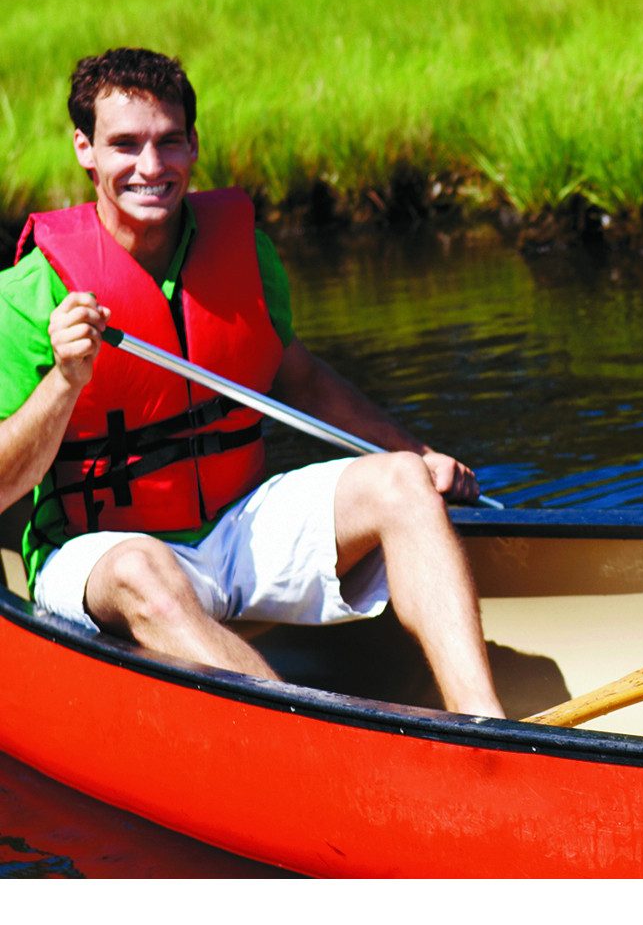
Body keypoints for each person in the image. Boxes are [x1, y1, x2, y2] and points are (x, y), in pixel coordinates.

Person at [0, 47, 504, 718]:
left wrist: (413, 451)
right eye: (125, 145)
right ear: (85, 149)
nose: (150, 167)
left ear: (194, 146)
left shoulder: (244, 252)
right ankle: (306, 737)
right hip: (104, 554)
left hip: (236, 526)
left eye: (168, 142)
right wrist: (64, 382)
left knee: (403, 482)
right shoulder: (25, 295)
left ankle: (486, 728)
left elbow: (297, 376)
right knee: (140, 571)